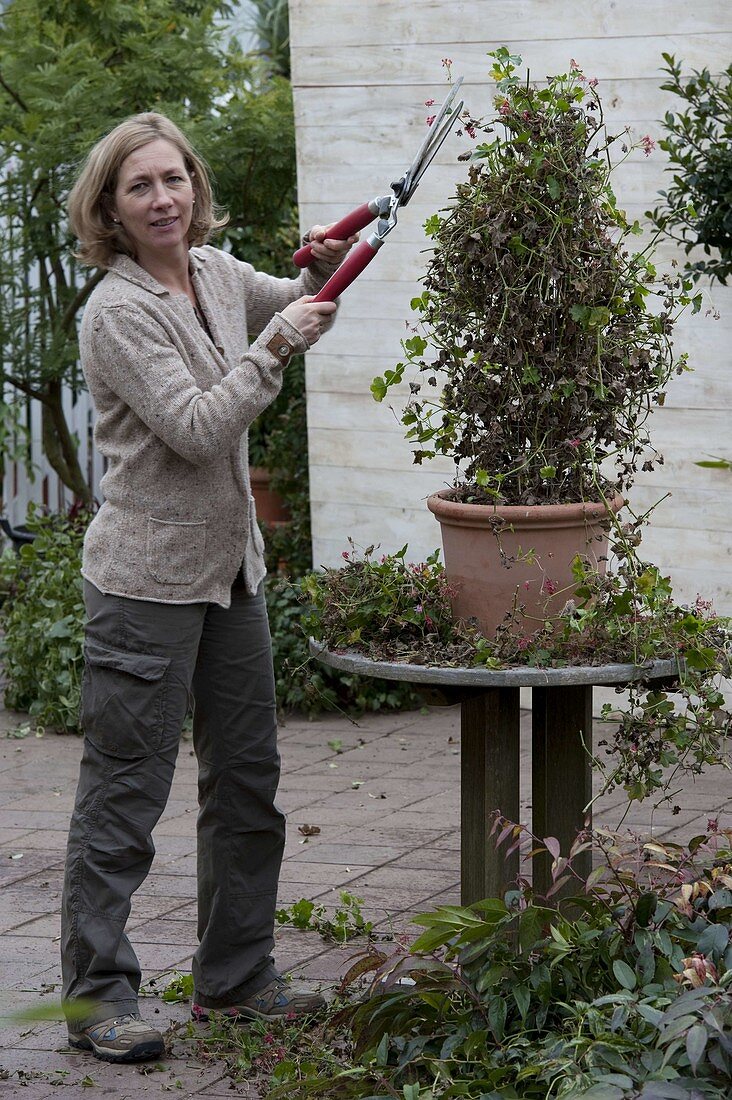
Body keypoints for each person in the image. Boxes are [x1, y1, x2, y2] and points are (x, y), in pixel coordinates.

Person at [60, 111, 356, 1064]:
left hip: (231, 579)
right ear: (110, 205)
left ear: (194, 187)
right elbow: (195, 427)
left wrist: (330, 258)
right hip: (145, 586)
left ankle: (235, 979)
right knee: (124, 797)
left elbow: (294, 293)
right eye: (140, 186)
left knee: (248, 787)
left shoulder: (220, 275)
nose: (163, 199)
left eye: (174, 179)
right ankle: (95, 998)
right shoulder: (115, 313)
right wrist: (275, 351)